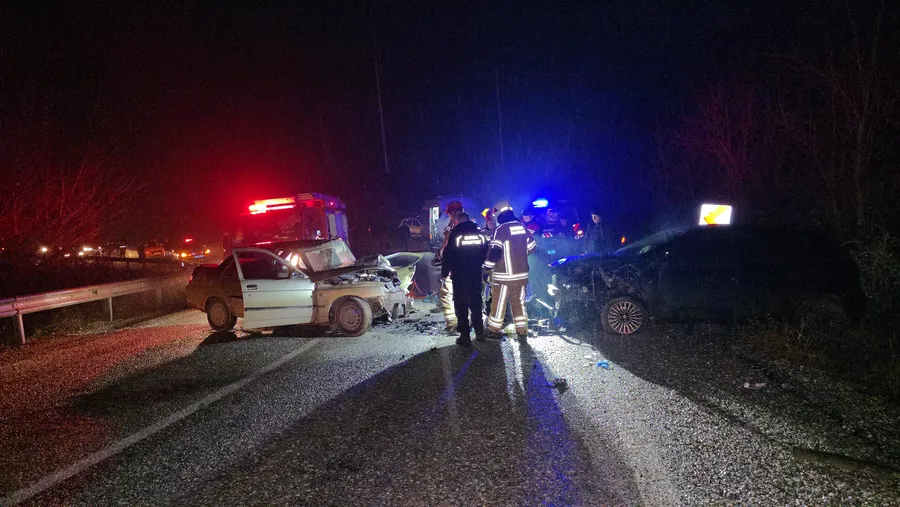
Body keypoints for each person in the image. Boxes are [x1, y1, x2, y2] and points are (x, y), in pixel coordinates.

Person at [484, 199, 537, 339]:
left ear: (499, 214)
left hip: (503, 276)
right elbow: (532, 248)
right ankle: (522, 330)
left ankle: (494, 329)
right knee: (519, 303)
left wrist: (486, 268)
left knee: (499, 303)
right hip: (521, 275)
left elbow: (494, 253)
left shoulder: (500, 230)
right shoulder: (522, 227)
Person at [441, 212, 489, 346]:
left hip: (459, 273)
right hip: (475, 272)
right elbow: (485, 250)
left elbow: (448, 254)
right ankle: (479, 332)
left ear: (458, 221)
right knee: (476, 301)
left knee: (461, 304)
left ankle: (465, 336)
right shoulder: (479, 233)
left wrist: (445, 272)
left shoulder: (456, 233)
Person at [431, 200, 463, 332]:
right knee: (466, 295)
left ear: (453, 213)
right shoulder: (470, 228)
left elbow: (446, 249)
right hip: (469, 269)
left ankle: (452, 324)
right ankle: (466, 322)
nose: (449, 218)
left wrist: (438, 256)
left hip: (453, 268)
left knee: (446, 294)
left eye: (449, 215)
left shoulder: (452, 230)